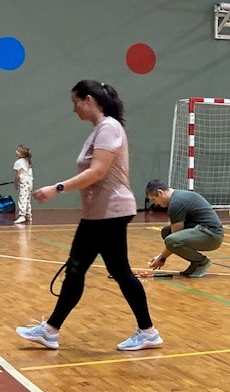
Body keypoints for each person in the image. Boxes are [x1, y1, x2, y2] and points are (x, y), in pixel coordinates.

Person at [15, 79, 163, 351]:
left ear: (89, 100)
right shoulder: (100, 129)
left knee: (110, 271)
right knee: (80, 269)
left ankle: (148, 332)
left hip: (111, 211)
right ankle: (51, 330)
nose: (74, 109)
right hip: (98, 213)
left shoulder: (109, 128)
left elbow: (97, 172)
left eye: (76, 103)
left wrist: (57, 188)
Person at [146, 179, 223, 278]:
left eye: (154, 199)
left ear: (160, 193)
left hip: (212, 236)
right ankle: (195, 263)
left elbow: (175, 238)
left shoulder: (176, 204)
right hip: (204, 231)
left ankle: (201, 262)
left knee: (171, 240)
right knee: (166, 232)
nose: (155, 203)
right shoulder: (178, 197)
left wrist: (162, 258)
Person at [13, 144, 33, 224]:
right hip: (30, 182)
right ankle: (28, 215)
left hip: (24, 182)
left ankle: (22, 216)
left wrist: (16, 182)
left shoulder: (18, 162)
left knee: (22, 198)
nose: (16, 152)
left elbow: (18, 174)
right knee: (27, 198)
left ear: (22, 154)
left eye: (18, 151)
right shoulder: (28, 161)